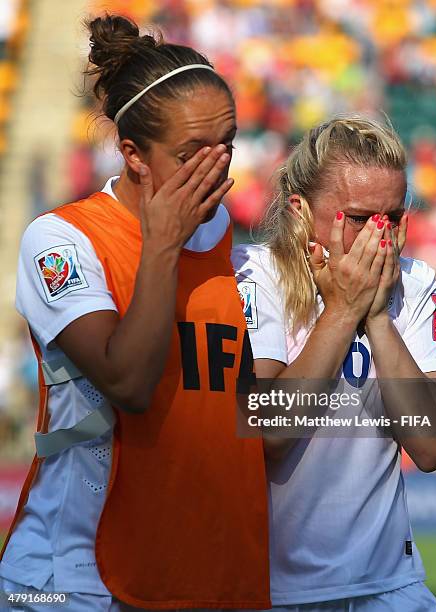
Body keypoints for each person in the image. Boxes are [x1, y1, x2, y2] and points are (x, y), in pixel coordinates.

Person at [0, 14, 271, 612]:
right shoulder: (63, 239)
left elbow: (267, 424)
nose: (216, 166)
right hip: (73, 576)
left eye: (227, 142)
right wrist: (164, 246)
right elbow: (128, 382)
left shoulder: (247, 250)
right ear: (133, 154)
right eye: (191, 153)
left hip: (209, 573)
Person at [232, 116, 436, 612]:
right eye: (359, 218)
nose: (379, 238)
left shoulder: (414, 281)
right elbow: (269, 432)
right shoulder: (255, 275)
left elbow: (433, 445)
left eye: (394, 218)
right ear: (300, 210)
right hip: (273, 588)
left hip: (387, 584)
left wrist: (377, 316)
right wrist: (342, 312)